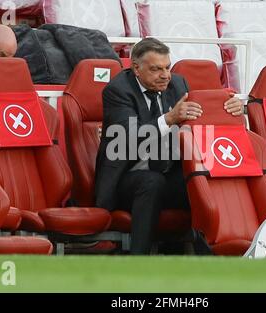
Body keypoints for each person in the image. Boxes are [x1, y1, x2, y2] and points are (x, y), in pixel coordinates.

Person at [95, 38, 243, 254]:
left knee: (201, 178)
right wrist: (170, 118)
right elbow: (128, 137)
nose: (165, 75)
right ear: (136, 68)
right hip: (127, 177)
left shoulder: (178, 84)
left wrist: (230, 107)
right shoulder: (118, 91)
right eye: (156, 69)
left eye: (167, 67)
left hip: (167, 171)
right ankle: (139, 262)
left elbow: (201, 113)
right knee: (151, 182)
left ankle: (213, 254)